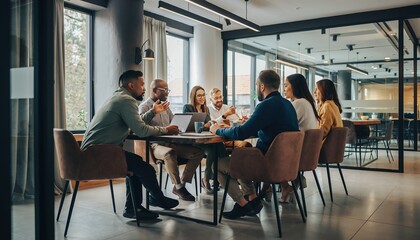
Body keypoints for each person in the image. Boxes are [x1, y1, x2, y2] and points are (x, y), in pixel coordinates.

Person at [80, 70, 179, 221]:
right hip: (99, 153)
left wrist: (152, 112)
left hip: (96, 151)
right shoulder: (126, 101)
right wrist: (166, 130)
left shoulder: (118, 98)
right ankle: (156, 200)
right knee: (144, 168)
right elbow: (141, 130)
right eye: (142, 84)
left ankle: (134, 207)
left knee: (136, 166)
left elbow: (135, 124)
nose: (144, 88)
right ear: (131, 85)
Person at [210, 70, 299, 219]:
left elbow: (241, 133)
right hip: (287, 164)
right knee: (241, 157)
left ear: (262, 86)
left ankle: (244, 204)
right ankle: (252, 199)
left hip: (266, 164)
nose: (257, 88)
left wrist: (218, 130)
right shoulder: (288, 105)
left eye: (257, 85)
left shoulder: (266, 105)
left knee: (217, 165)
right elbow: (275, 130)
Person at [139, 79, 205, 201]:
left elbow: (173, 124)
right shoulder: (144, 107)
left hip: (170, 143)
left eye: (168, 90)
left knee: (198, 152)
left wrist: (179, 127)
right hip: (154, 146)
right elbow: (141, 127)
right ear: (154, 91)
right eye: (164, 90)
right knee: (170, 153)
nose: (167, 93)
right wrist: (165, 128)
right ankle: (179, 187)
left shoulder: (166, 107)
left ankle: (181, 184)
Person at [275, 73, 320, 203]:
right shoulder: (308, 103)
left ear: (294, 86)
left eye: (286, 85)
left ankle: (284, 187)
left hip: (297, 154)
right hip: (307, 153)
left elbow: (283, 126)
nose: (284, 89)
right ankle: (293, 181)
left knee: (267, 151)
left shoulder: (298, 103)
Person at [183, 86, 228, 194]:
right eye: (199, 95)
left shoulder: (205, 109)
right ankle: (210, 178)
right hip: (192, 141)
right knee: (213, 150)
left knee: (218, 144)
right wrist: (205, 125)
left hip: (204, 140)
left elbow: (210, 123)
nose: (202, 97)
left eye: (203, 95)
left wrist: (213, 124)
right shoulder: (188, 107)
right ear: (193, 96)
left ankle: (221, 174)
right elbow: (188, 127)